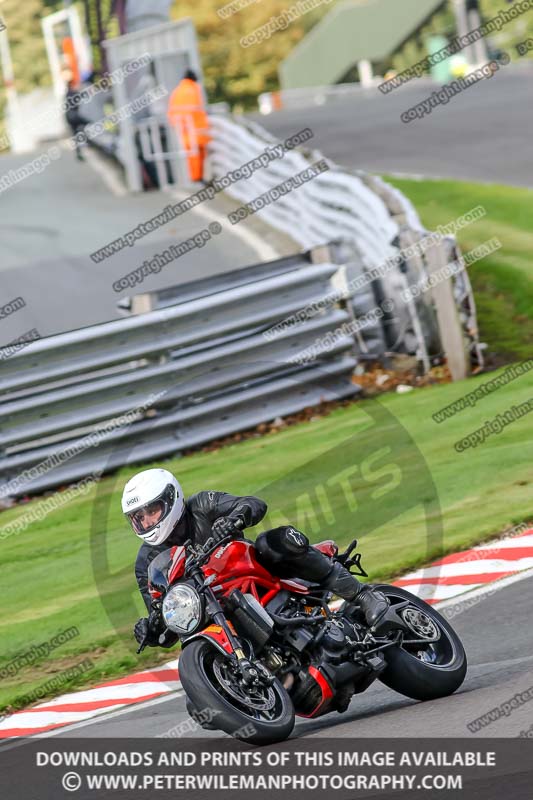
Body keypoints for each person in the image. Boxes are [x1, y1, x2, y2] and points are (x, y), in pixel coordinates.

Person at [122, 468, 389, 649]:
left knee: (272, 541)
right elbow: (166, 615)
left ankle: (364, 595)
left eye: (151, 511)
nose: (146, 522)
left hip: (254, 575)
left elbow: (254, 503)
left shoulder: (201, 505)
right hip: (214, 611)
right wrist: (151, 629)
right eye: (138, 517)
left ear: (171, 498)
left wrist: (233, 519)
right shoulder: (146, 562)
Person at [166, 69, 210, 181]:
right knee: (197, 155)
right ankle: (197, 178)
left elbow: (171, 111)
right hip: (196, 129)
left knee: (191, 155)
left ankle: (195, 178)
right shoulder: (193, 89)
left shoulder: (177, 91)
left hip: (182, 129)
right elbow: (196, 109)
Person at [63, 70, 88, 162]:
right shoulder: (72, 92)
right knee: (88, 123)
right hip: (73, 116)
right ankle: (85, 143)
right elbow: (82, 96)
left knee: (76, 135)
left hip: (69, 117)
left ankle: (79, 153)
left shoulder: (68, 93)